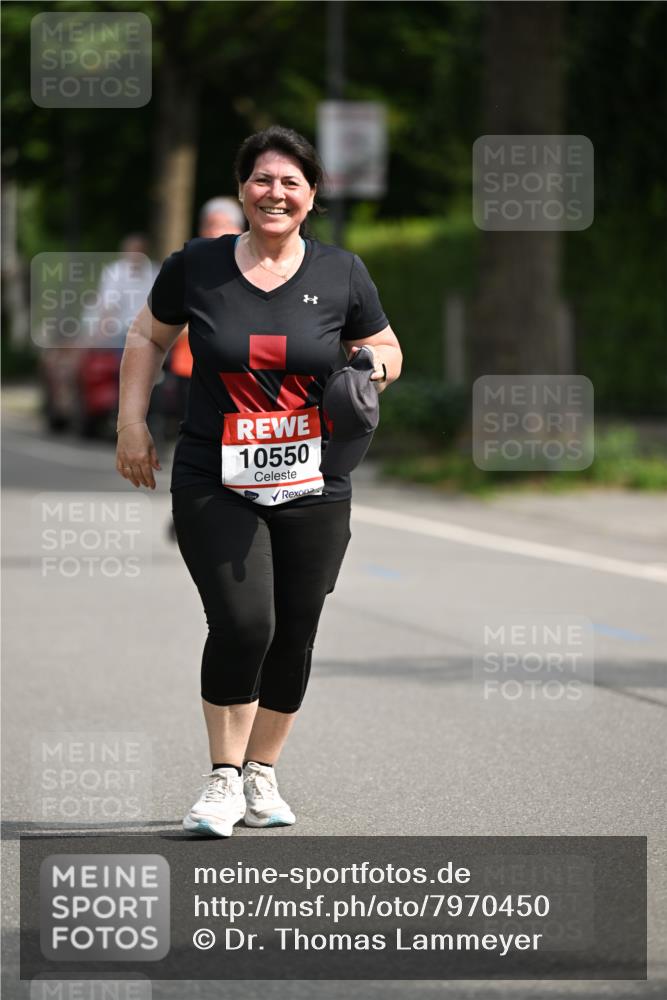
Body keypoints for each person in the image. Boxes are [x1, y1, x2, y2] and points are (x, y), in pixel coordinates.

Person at [115, 125, 402, 838]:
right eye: (262, 179)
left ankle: (261, 774)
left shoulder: (342, 273)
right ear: (244, 188)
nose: (275, 193)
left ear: (311, 198)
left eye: (290, 183)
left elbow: (385, 346)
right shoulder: (197, 266)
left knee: (295, 630)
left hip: (314, 474)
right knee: (245, 622)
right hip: (215, 472)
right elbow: (147, 336)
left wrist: (372, 372)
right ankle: (220, 778)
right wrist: (130, 423)